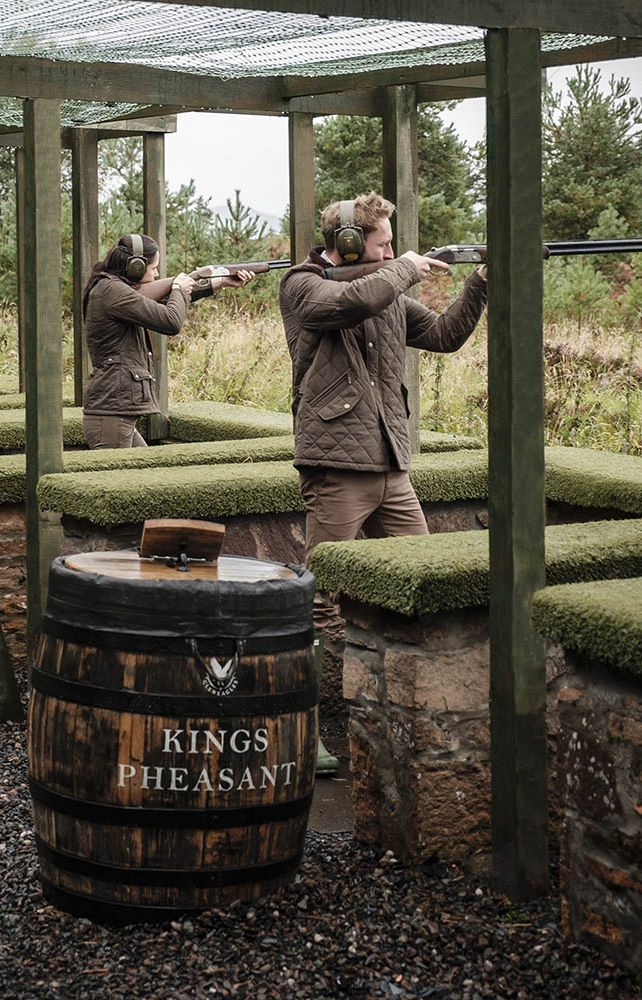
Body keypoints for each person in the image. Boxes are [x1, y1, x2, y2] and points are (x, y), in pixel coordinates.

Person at [279, 192, 488, 773]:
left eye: (394, 245)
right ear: (347, 244)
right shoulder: (302, 286)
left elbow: (445, 335)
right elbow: (347, 303)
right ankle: (300, 730)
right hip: (337, 466)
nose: (393, 252)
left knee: (424, 576)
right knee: (318, 605)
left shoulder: (388, 291)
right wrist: (404, 269)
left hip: (391, 464)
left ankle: (428, 714)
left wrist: (481, 283)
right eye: (383, 243)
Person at [81, 234, 254, 449]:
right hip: (110, 417)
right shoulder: (113, 291)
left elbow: (161, 300)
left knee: (144, 476)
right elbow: (171, 321)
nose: (156, 274)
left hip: (115, 415)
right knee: (122, 481)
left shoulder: (112, 289)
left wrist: (217, 282)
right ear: (135, 266)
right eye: (153, 268)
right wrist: (178, 288)